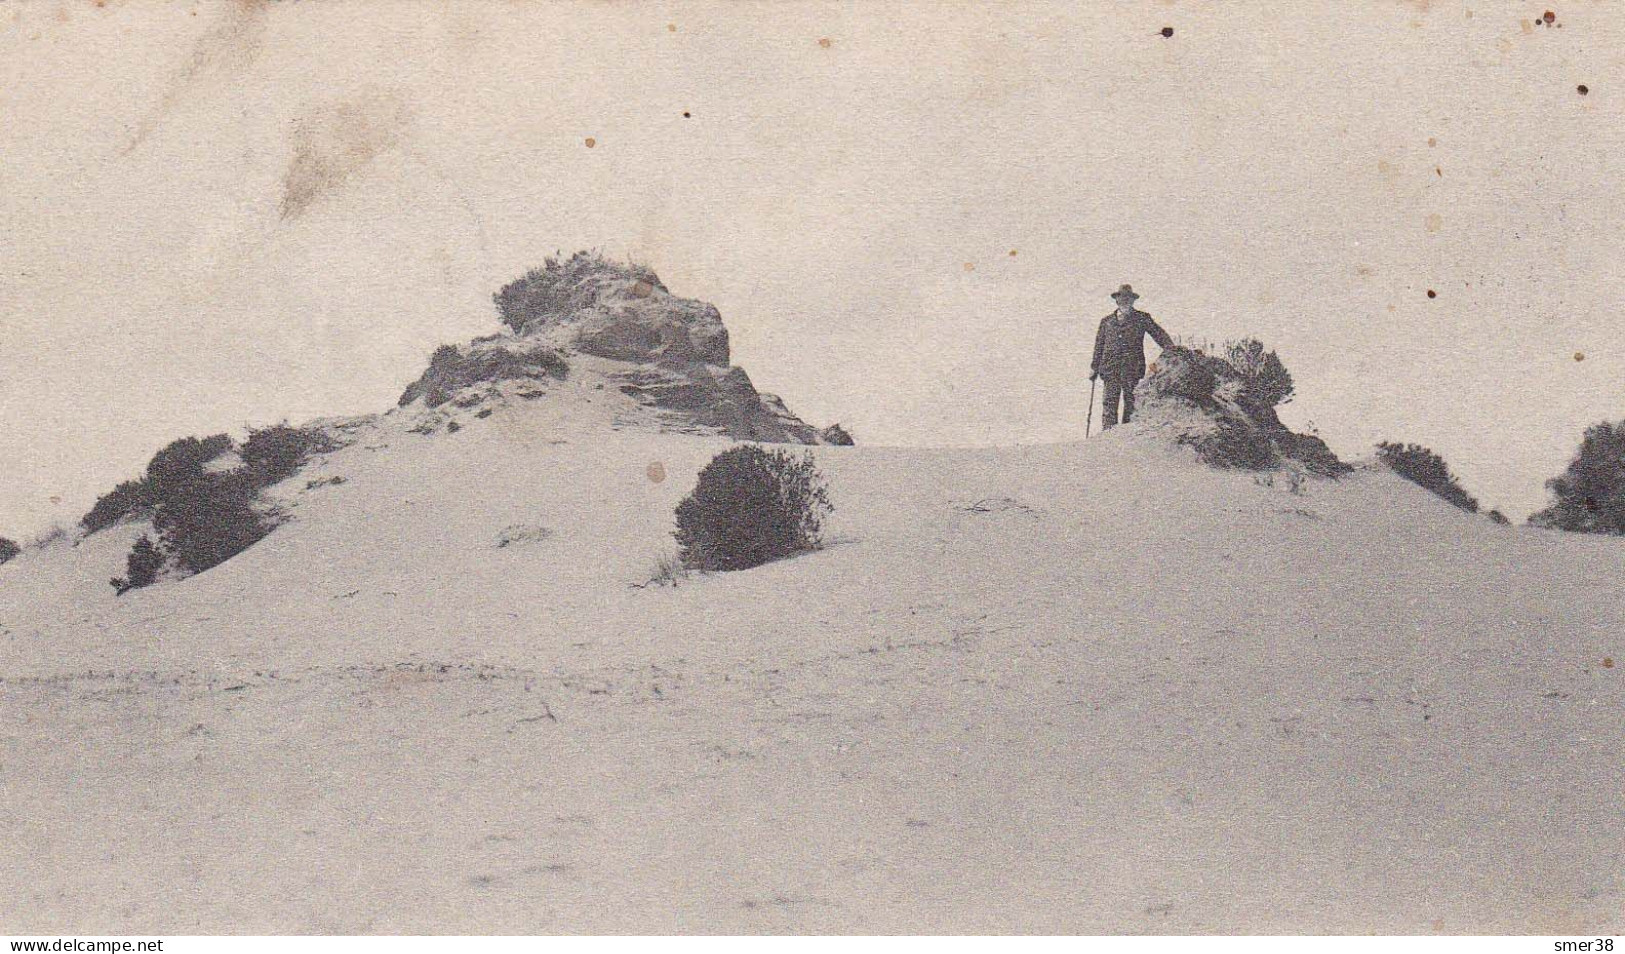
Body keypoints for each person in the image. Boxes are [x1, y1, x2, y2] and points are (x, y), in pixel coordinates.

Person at [1090, 284, 1174, 428]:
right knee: (1109, 404)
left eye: (1128, 298)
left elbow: (1158, 334)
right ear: (1116, 300)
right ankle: (1108, 439)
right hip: (1110, 368)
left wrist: (1172, 348)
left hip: (1132, 368)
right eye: (1121, 297)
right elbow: (1099, 346)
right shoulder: (1106, 322)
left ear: (1133, 300)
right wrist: (1094, 368)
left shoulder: (1142, 318)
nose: (1125, 300)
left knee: (1131, 403)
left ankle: (1127, 439)